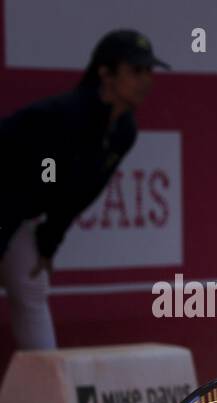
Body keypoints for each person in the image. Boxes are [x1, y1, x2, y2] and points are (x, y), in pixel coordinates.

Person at [0, 29, 168, 350]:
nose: (146, 80)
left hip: (15, 214)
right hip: (7, 205)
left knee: (32, 283)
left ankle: (49, 390)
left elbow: (81, 193)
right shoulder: (60, 117)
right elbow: (20, 185)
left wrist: (49, 240)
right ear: (105, 73)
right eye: (136, 71)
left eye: (149, 71)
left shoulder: (123, 130)